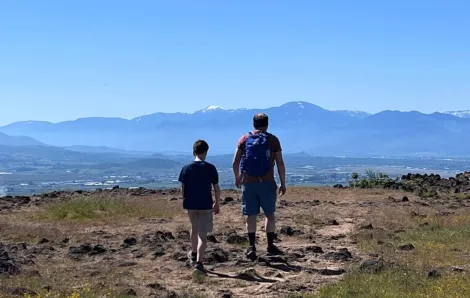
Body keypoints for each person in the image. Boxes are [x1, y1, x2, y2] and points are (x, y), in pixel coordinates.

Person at [232, 113, 287, 260]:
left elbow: (235, 162)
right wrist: (282, 182)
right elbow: (280, 162)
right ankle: (270, 245)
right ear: (267, 124)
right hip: (267, 182)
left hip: (248, 183)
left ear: (254, 124)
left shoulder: (244, 139)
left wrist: (238, 178)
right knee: (269, 214)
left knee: (251, 215)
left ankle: (252, 246)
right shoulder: (272, 140)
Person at [178, 139, 221, 275]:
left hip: (191, 204)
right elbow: (216, 188)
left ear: (193, 152)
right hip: (205, 204)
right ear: (206, 152)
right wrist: (217, 203)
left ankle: (193, 252)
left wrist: (185, 200)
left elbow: (183, 188)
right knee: (203, 235)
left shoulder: (186, 168)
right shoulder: (210, 168)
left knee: (194, 228)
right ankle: (199, 262)